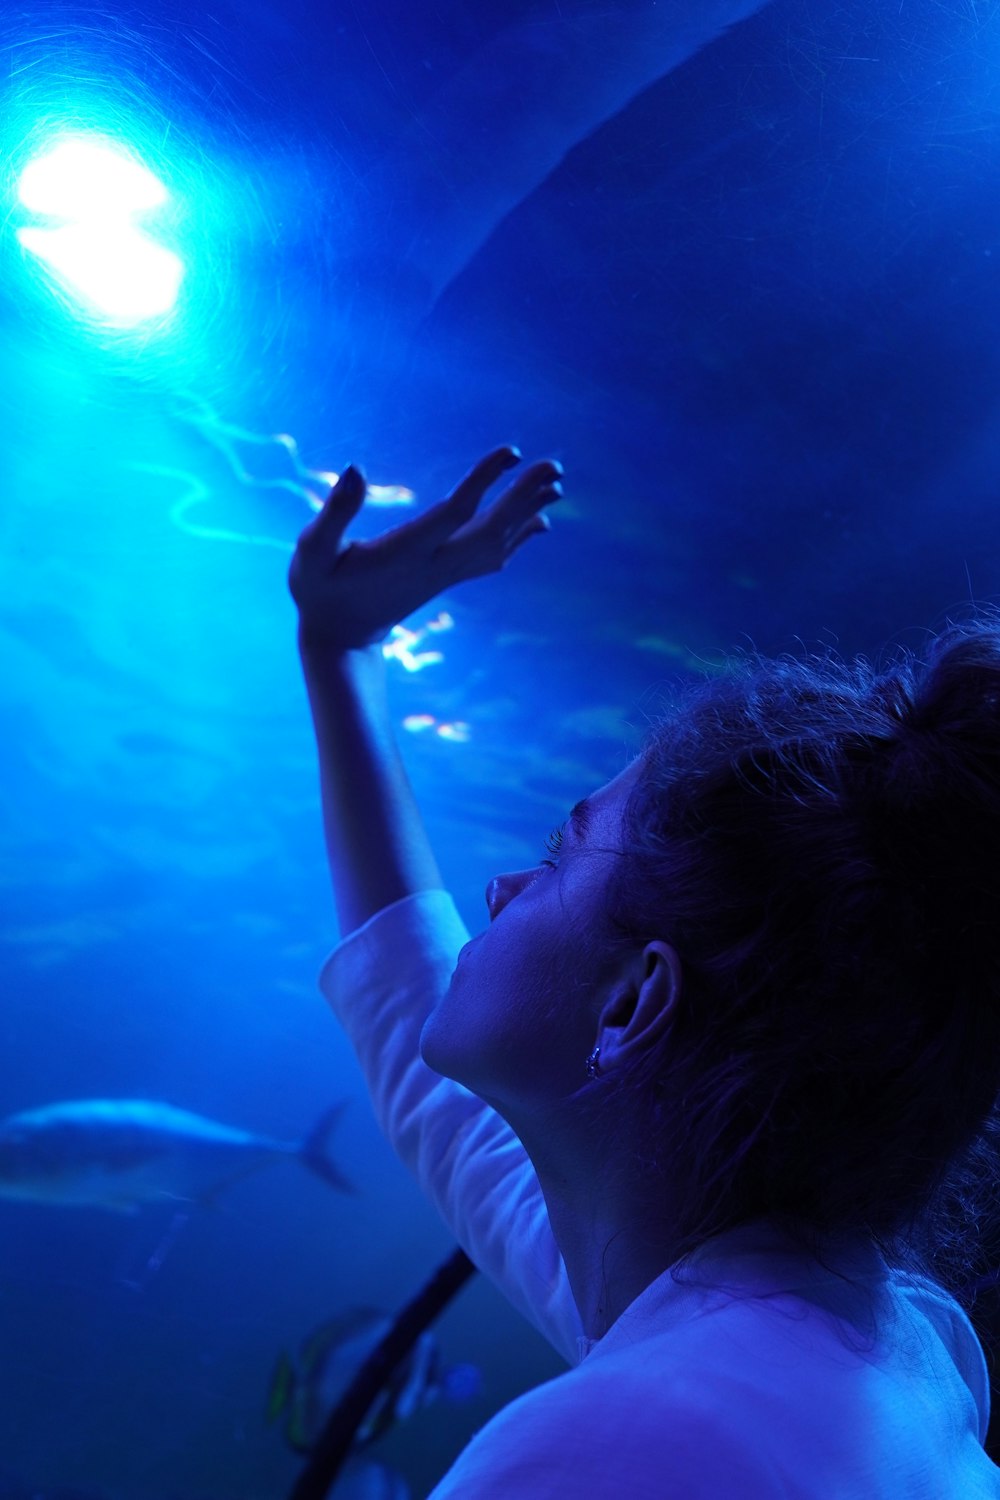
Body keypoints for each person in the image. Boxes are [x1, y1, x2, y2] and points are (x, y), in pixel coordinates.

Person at [289, 447, 1000, 1497]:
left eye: (558, 855)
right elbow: (432, 1071)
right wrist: (341, 650)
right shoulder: (857, 1340)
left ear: (630, 1002)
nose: (498, 885)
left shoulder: (618, 1451)